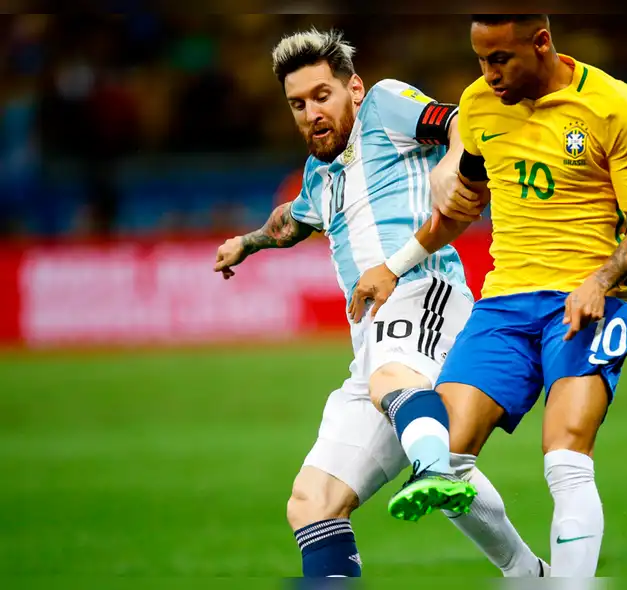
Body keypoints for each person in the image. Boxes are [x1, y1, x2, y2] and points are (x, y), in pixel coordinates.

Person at [213, 28, 547, 577]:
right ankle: (530, 574)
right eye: (298, 104)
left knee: (395, 386)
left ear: (355, 89)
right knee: (312, 502)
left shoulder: (386, 107)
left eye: (322, 95)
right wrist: (246, 244)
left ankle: (435, 466)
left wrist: (451, 162)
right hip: (369, 340)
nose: (311, 113)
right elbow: (294, 222)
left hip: (425, 290)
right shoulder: (321, 176)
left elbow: (461, 119)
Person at [351, 14, 627, 577]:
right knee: (445, 460)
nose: (488, 74)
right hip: (503, 303)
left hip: (586, 302)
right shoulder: (477, 106)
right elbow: (460, 209)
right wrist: (394, 267)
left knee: (566, 460)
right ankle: (528, 575)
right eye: (480, 59)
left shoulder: (613, 106)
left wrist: (598, 280)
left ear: (541, 42)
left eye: (500, 58)